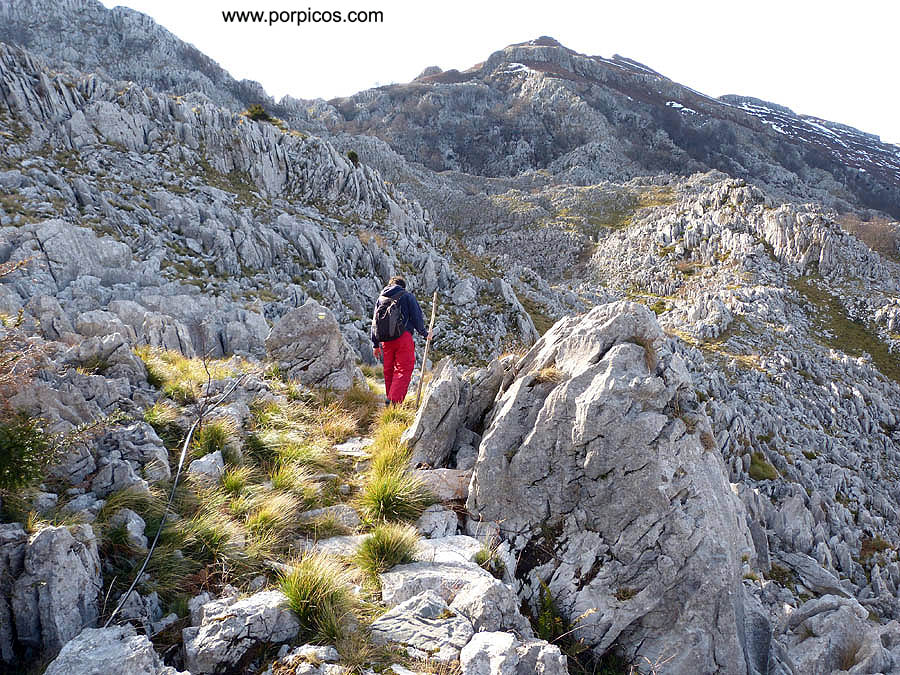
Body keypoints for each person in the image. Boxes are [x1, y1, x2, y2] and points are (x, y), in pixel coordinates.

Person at [370, 275, 431, 405]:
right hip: (403, 338)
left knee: (389, 370)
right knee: (404, 368)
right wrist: (425, 333)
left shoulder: (381, 298)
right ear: (403, 286)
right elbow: (416, 317)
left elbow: (375, 322)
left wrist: (375, 344)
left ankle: (390, 398)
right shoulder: (407, 296)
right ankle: (394, 401)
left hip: (385, 341)